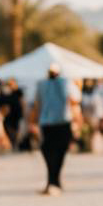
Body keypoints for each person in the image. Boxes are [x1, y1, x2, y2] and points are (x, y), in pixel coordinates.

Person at [30, 63, 80, 195]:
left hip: (47, 123)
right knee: (59, 152)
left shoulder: (41, 84)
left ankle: (53, 181)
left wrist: (33, 122)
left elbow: (36, 104)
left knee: (49, 152)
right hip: (62, 122)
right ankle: (54, 181)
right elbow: (75, 100)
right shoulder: (67, 83)